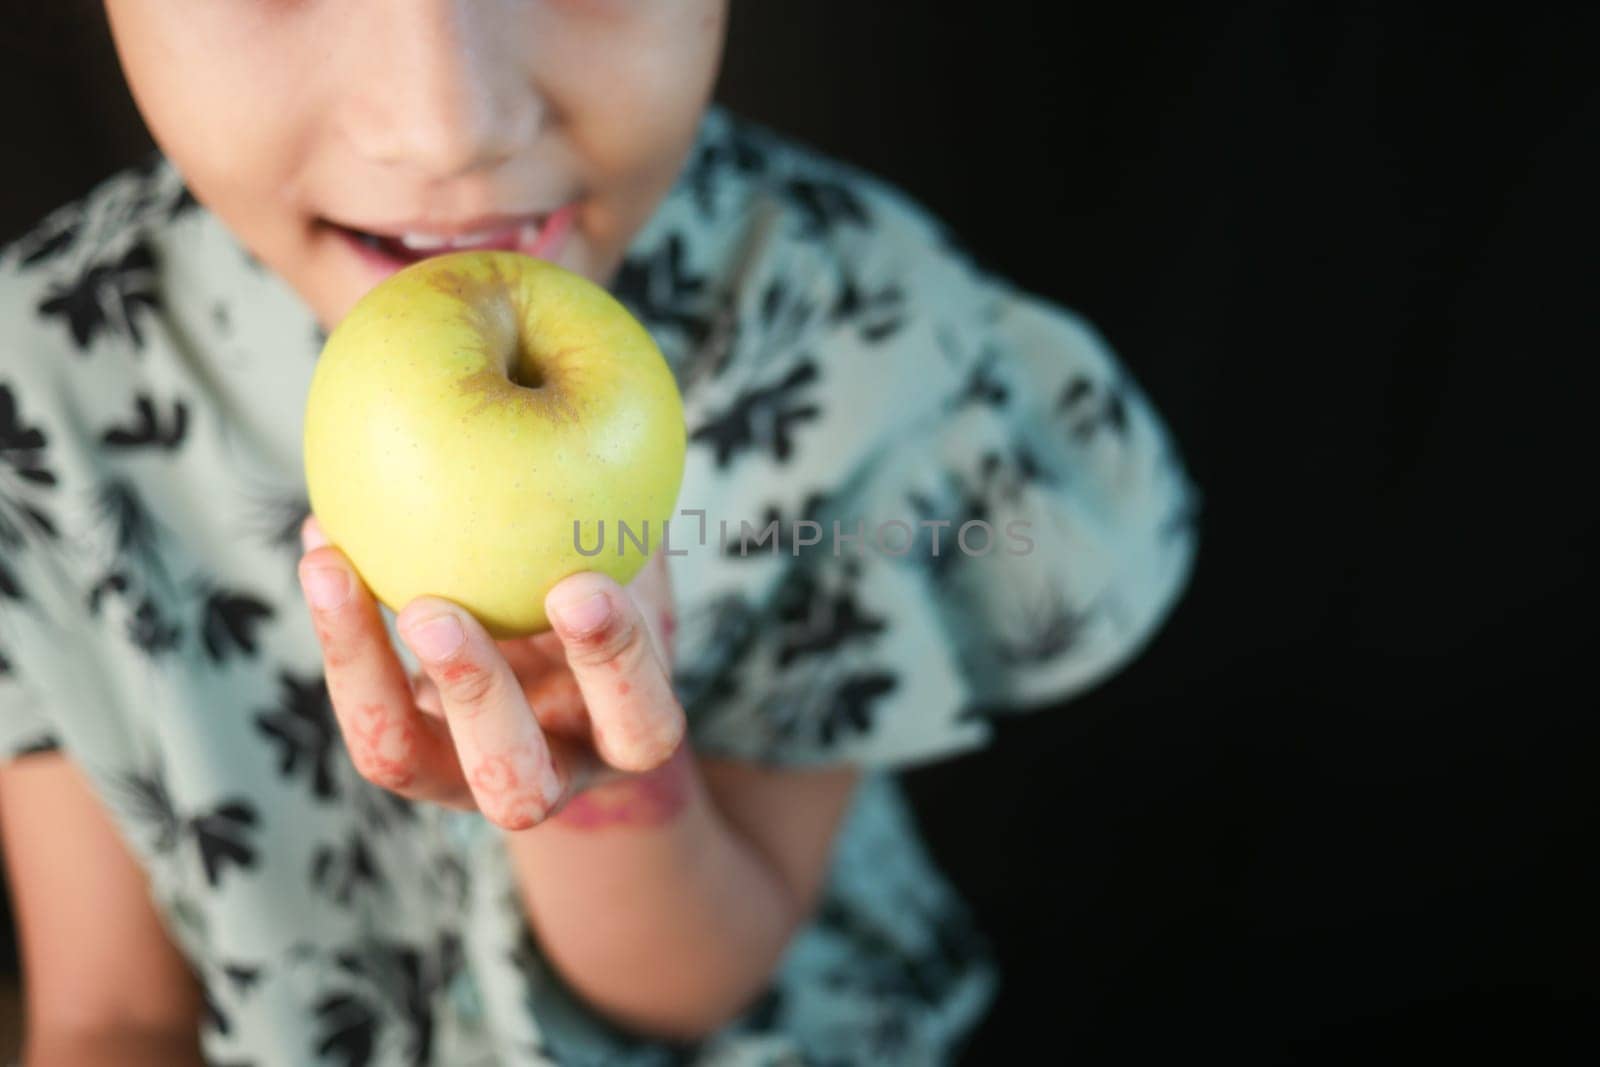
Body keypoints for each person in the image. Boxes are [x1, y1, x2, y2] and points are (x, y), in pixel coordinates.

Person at [0, 3, 1202, 1064]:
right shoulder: (40, 389)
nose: (447, 122)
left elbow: (696, 987)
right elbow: (111, 1013)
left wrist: (605, 782)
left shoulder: (853, 333)